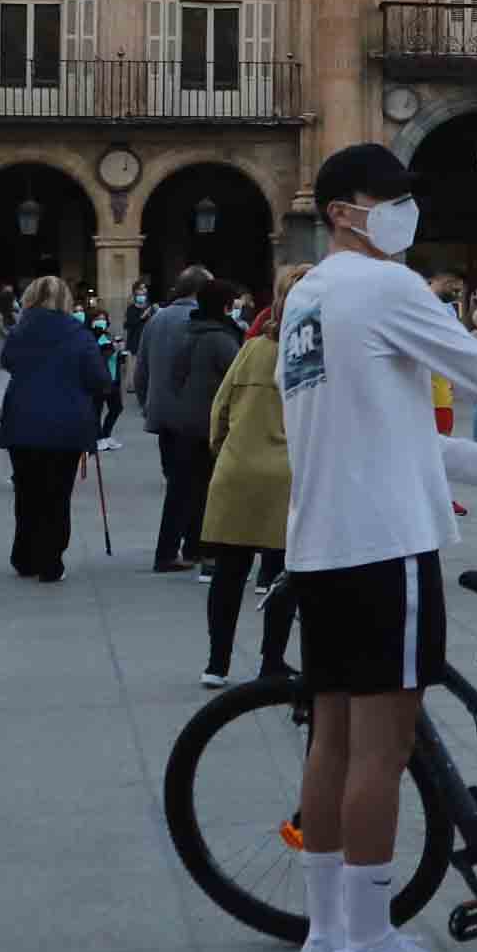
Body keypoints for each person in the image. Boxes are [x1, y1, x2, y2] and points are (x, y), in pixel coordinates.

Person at [275, 143, 477, 952]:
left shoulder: (306, 302)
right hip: (386, 548)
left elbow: (383, 432)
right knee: (382, 751)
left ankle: (325, 939)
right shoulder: (383, 285)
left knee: (331, 741)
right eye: (383, 198)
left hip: (320, 546)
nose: (401, 210)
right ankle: (369, 951)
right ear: (340, 212)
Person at [198, 268, 300, 684]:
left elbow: (219, 409)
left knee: (227, 573)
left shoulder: (253, 347)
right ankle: (270, 661)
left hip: (237, 468)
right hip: (286, 474)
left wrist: (225, 450)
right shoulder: (314, 356)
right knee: (280, 576)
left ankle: (216, 663)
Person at [0, 277, 112, 582]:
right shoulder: (79, 333)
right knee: (57, 494)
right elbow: (100, 380)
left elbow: (7, 361)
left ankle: (24, 555)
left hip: (23, 422)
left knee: (26, 490)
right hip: (67, 426)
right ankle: (50, 559)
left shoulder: (20, 330)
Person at [142, 267, 234, 572]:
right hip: (194, 416)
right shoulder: (201, 323)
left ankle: (190, 546)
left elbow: (141, 369)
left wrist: (148, 404)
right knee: (193, 487)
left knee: (180, 483)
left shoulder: (156, 318)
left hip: (163, 415)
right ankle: (180, 548)